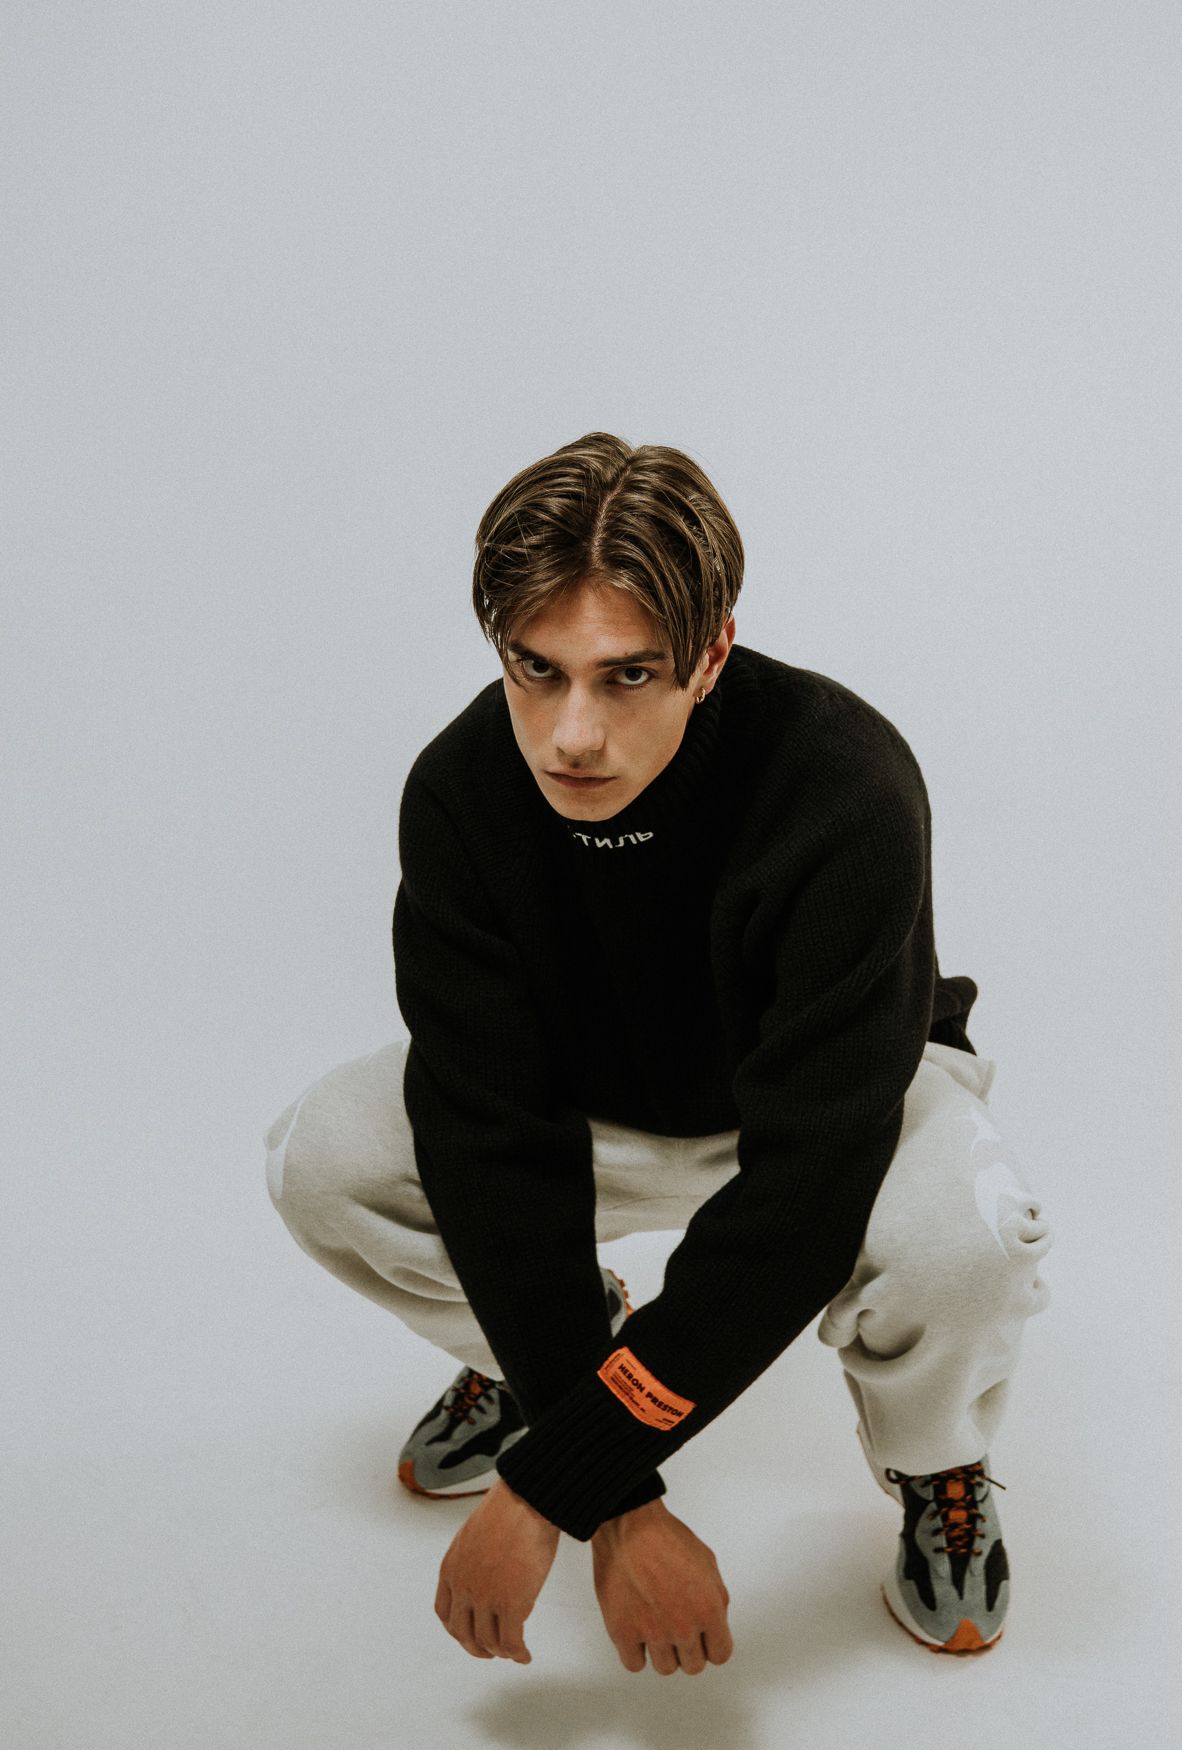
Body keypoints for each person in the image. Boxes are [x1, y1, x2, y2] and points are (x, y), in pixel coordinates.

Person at [262, 431, 1054, 1674]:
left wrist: (546, 1493)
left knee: (970, 1244)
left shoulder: (842, 785)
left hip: (833, 1110)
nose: (571, 734)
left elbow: (804, 1196)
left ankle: (935, 1463)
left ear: (712, 654)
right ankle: (553, 1361)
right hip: (597, 1107)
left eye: (627, 676)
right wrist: (614, 1490)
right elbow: (490, 1138)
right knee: (324, 1158)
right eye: (537, 669)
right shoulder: (462, 793)